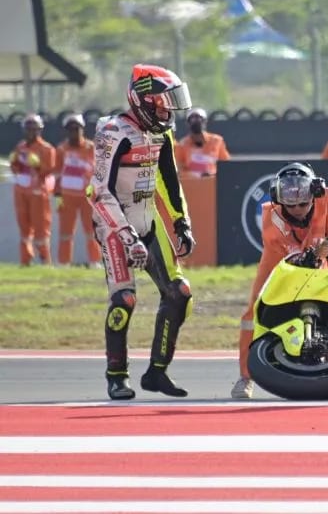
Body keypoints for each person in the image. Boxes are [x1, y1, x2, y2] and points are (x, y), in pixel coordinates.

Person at [89, 63, 196, 400]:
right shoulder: (113, 132)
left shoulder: (161, 133)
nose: (169, 108)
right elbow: (98, 192)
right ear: (144, 100)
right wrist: (127, 237)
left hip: (149, 223)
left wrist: (181, 221)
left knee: (179, 293)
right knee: (124, 300)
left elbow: (170, 180)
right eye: (163, 101)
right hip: (114, 226)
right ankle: (116, 375)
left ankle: (157, 372)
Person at [232, 162, 328, 399]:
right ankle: (245, 377)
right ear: (279, 200)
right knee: (252, 313)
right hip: (280, 259)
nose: (297, 209)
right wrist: (309, 255)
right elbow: (288, 256)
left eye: (302, 204)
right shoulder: (271, 214)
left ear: (315, 194)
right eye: (291, 205)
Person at [53, 113, 101, 267]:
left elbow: (99, 170)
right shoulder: (61, 149)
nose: (74, 132)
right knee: (66, 232)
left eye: (76, 128)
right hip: (67, 196)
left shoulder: (91, 147)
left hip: (87, 196)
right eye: (70, 129)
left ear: (82, 129)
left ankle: (94, 261)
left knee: (91, 231)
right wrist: (57, 193)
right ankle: (64, 263)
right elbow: (57, 173)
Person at [9, 113, 56, 265]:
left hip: (37, 193)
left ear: (40, 130)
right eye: (28, 129)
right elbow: (16, 168)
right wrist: (13, 163)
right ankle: (25, 260)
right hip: (21, 191)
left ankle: (45, 260)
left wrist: (37, 165)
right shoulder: (20, 146)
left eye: (34, 129)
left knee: (41, 228)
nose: (31, 132)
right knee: (24, 228)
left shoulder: (47, 148)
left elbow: (49, 171)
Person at [174, 107, 230, 178]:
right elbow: (179, 170)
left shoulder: (217, 141)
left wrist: (212, 174)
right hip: (192, 183)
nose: (197, 121)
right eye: (193, 119)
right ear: (188, 123)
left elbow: (226, 165)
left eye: (199, 118)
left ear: (205, 121)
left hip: (213, 182)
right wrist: (196, 175)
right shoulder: (182, 145)